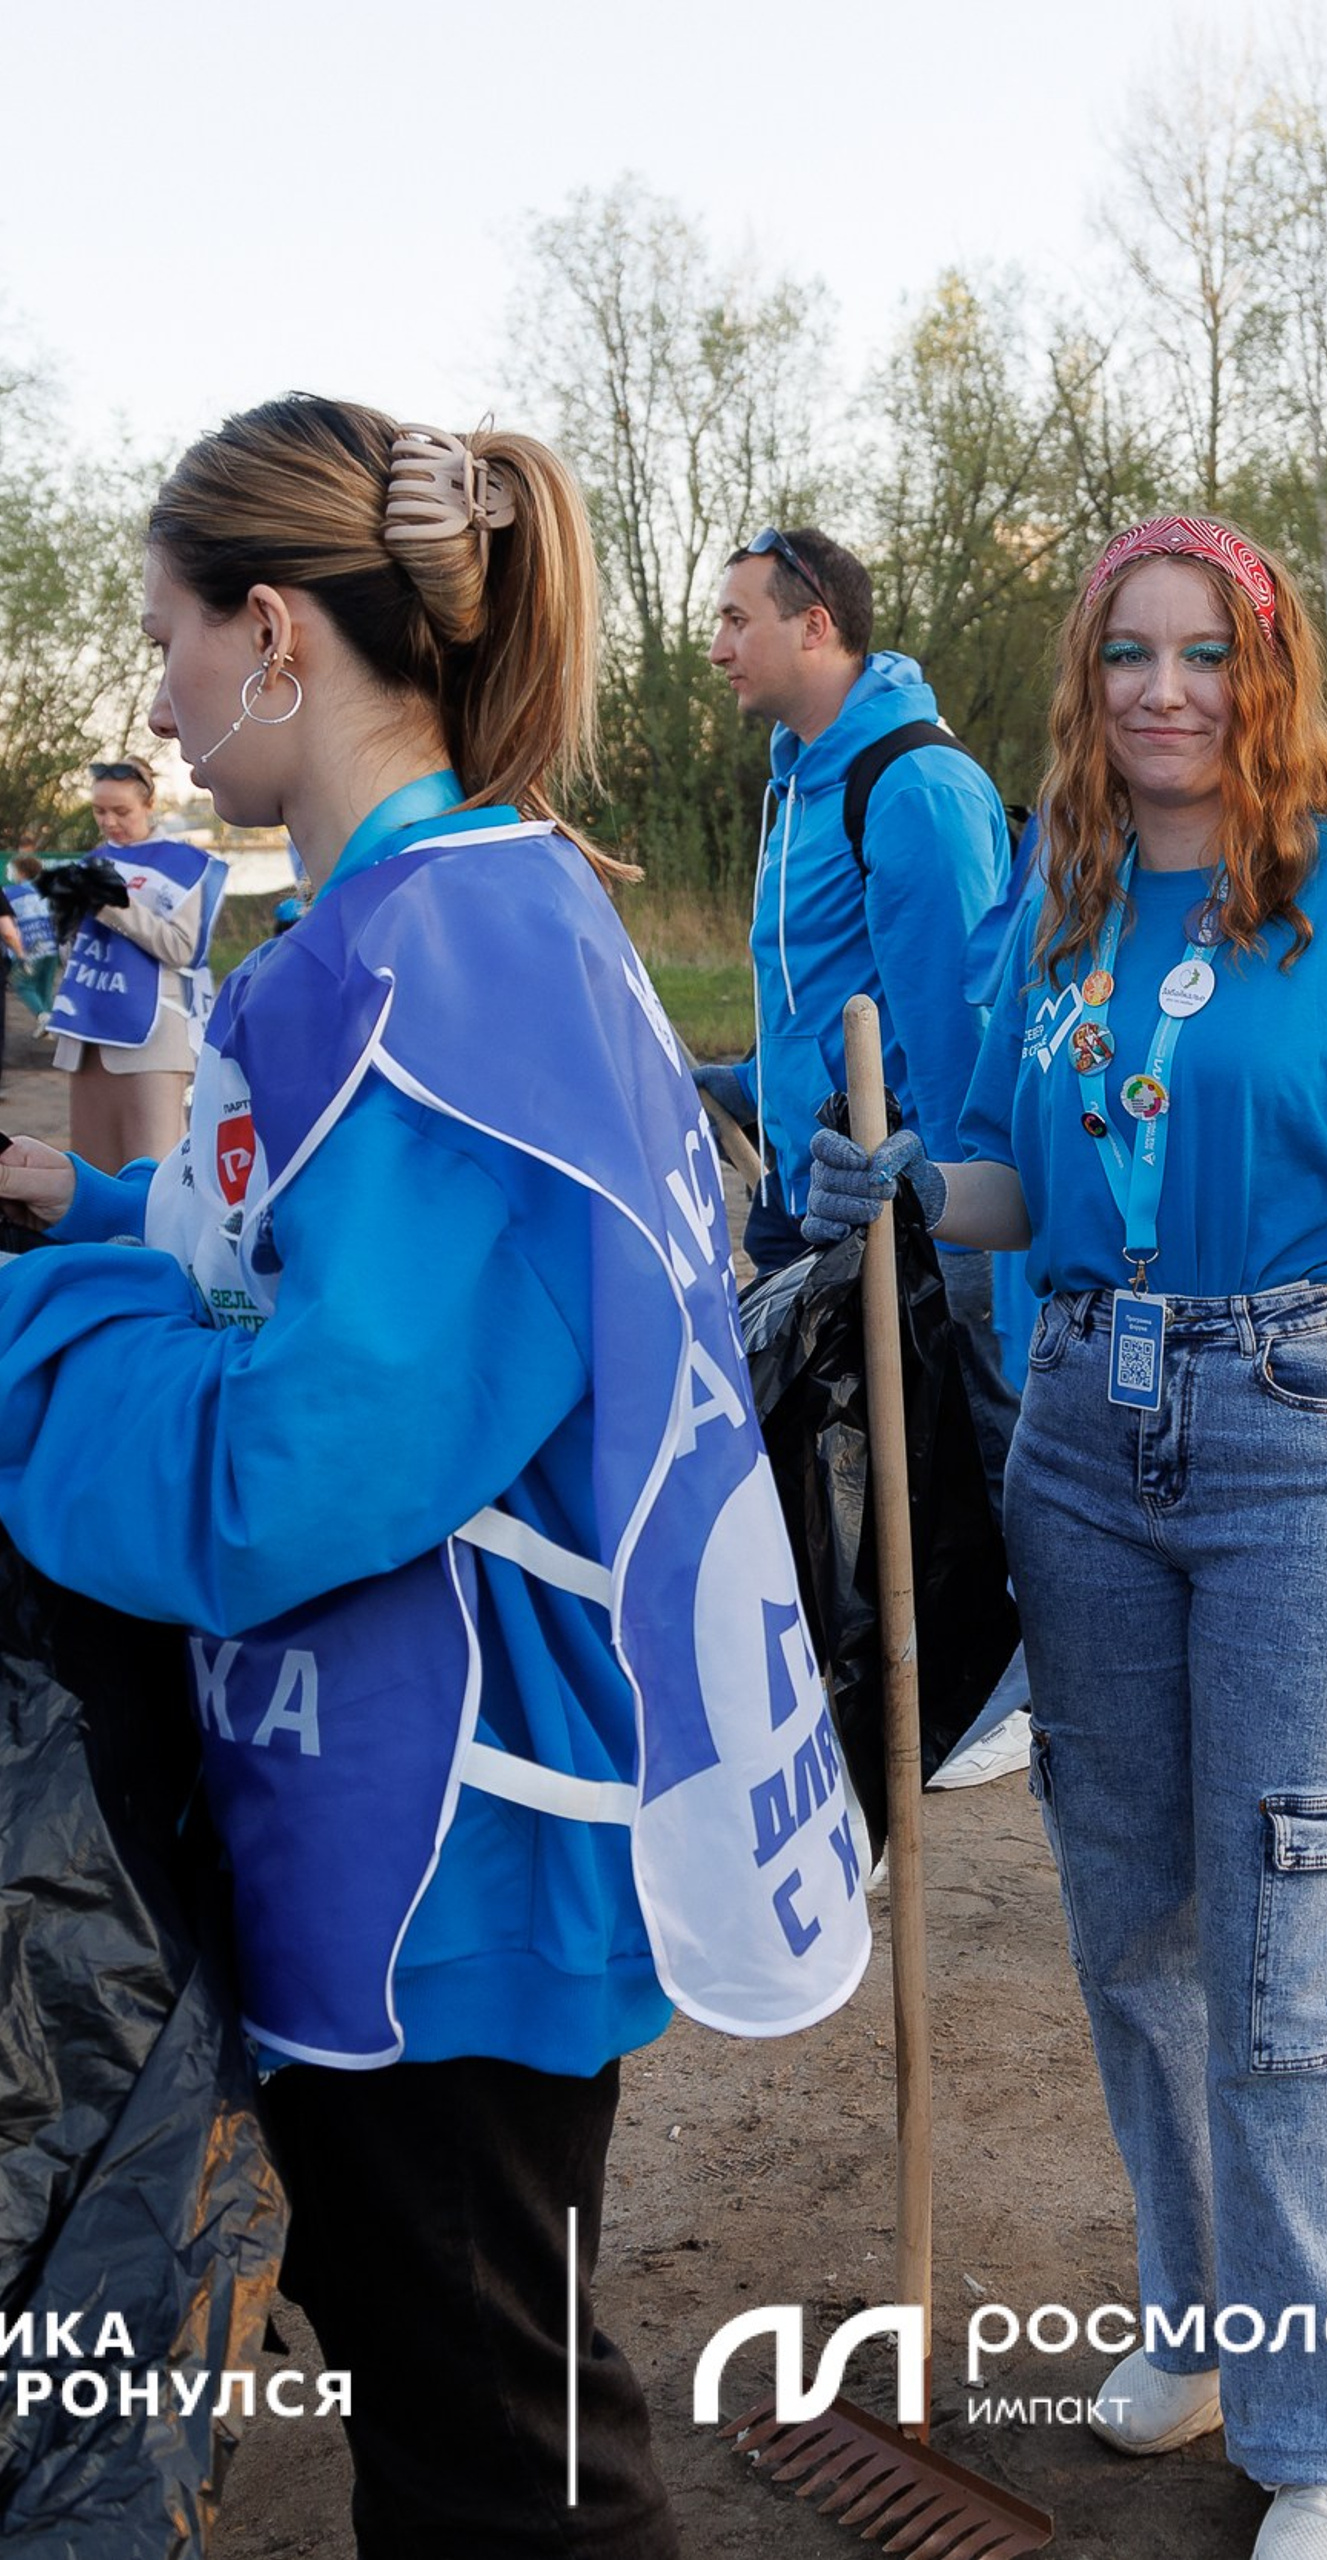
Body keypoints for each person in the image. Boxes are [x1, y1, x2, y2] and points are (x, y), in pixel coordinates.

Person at [0, 396, 868, 2559]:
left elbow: (299, 1456)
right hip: (415, 1811)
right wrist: (75, 1215)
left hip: (448, 1857)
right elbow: (309, 1274)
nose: (162, 702)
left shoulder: (440, 963)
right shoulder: (433, 919)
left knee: (510, 2467)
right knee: (459, 2403)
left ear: (277, 631)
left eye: (170, 639)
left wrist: (24, 1335)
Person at [801, 514, 1327, 2560]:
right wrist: (891, 1181)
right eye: (1125, 652)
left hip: (1297, 1436)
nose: (1160, 689)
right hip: (1074, 1430)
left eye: (1200, 652)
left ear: (1265, 670)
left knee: (1282, 1942)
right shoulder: (1050, 908)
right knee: (1128, 1918)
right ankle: (1207, 2314)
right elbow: (1008, 1189)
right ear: (1084, 677)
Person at [702, 521, 1019, 1495]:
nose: (716, 647)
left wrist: (952, 1234)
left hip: (909, 1227)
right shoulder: (794, 781)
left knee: (962, 1507)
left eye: (734, 619)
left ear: (814, 626)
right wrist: (748, 1088)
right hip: (805, 1195)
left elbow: (960, 1037)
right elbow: (827, 997)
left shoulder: (911, 786)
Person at [49, 757, 226, 1169]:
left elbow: (183, 948)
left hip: (151, 1037)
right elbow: (68, 952)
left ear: (149, 804)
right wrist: (68, 922)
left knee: (154, 1171)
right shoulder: (90, 861)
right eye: (99, 810)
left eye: (121, 811)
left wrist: (113, 907)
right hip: (86, 1032)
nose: (109, 821)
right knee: (92, 1172)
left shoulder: (184, 864)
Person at [5, 854, 56, 1030]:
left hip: (28, 946)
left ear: (22, 872)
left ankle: (43, 1018)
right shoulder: (46, 891)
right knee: (45, 989)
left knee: (22, 984)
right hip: (51, 946)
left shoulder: (9, 893)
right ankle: (50, 1028)